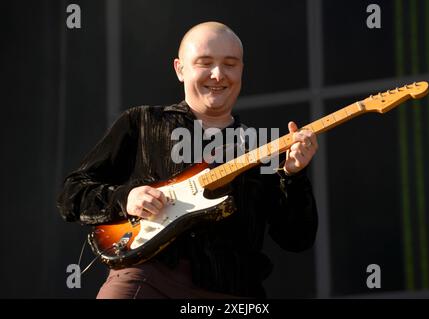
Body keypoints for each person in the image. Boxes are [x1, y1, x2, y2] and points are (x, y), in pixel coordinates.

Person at [57, 21, 319, 299]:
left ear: (242, 69)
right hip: (145, 278)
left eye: (230, 64)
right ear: (180, 69)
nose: (218, 75)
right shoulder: (141, 122)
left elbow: (297, 239)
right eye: (205, 63)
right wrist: (126, 198)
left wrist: (293, 177)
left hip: (233, 290)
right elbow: (71, 194)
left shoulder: (261, 147)